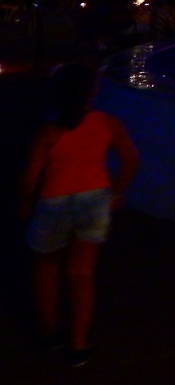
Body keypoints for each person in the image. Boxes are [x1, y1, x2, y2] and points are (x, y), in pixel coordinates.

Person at [18, 63, 140, 366]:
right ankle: (79, 342)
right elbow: (130, 159)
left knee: (47, 267)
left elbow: (29, 179)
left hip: (54, 203)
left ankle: (50, 332)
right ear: (93, 92)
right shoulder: (107, 124)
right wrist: (117, 191)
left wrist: (24, 204)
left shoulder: (50, 131)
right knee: (82, 273)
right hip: (95, 201)